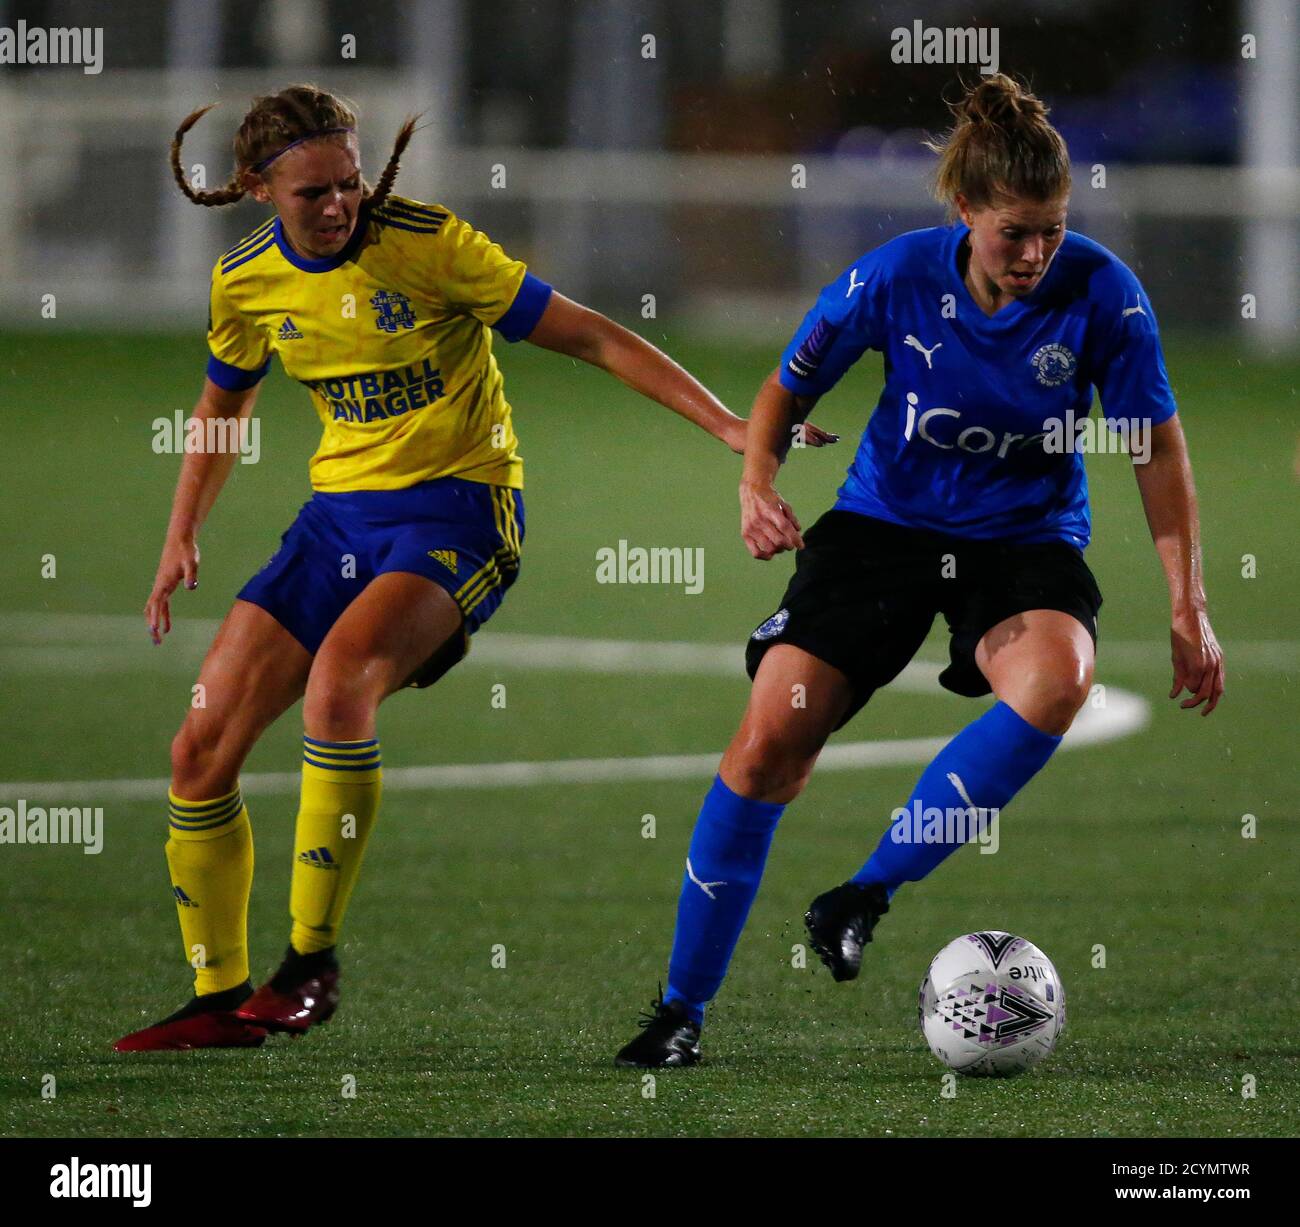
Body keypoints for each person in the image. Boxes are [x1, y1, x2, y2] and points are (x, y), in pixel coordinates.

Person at [114, 83, 833, 1052]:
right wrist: (179, 534)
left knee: (339, 688)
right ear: (254, 189)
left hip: (460, 509)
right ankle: (217, 998)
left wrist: (731, 427)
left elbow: (585, 331)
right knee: (197, 752)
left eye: (349, 184)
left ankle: (309, 965)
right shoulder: (245, 281)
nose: (338, 207)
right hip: (335, 524)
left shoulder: (429, 243)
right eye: (311, 194)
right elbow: (222, 405)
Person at [614, 74, 1225, 1069]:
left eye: (1052, 231)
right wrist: (756, 484)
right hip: (882, 528)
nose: (1034, 255)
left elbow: (1156, 451)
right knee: (771, 742)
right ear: (964, 211)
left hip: (1023, 540)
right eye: (1013, 232)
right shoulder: (892, 279)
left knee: (1056, 682)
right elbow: (783, 388)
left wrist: (1187, 605)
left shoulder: (1104, 293)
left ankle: (863, 893)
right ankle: (680, 1009)